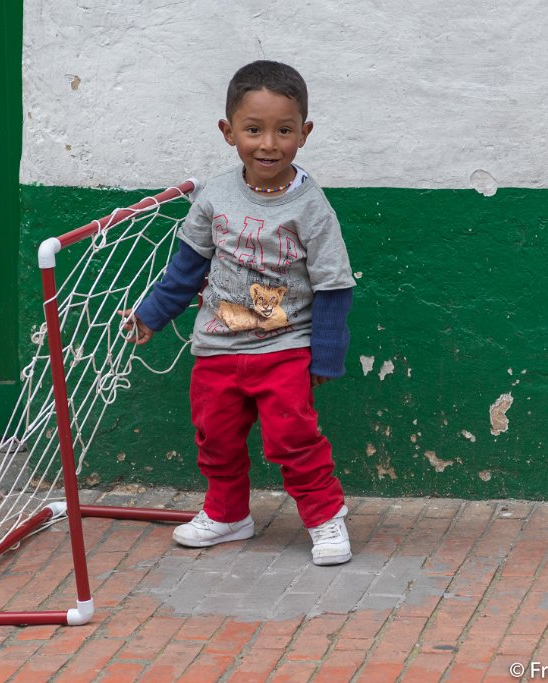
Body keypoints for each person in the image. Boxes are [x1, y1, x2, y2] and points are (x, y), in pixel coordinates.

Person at [121, 60, 356, 566]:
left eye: (284, 130)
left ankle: (324, 518)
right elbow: (187, 267)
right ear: (229, 133)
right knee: (216, 438)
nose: (268, 143)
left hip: (285, 347)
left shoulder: (312, 208)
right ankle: (228, 516)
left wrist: (325, 358)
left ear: (304, 134)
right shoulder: (214, 195)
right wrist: (150, 315)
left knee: (294, 439)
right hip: (217, 347)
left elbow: (334, 286)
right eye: (254, 129)